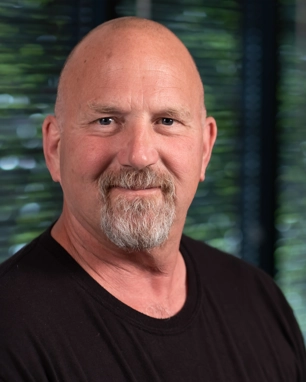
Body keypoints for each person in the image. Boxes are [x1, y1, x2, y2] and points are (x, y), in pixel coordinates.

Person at [0, 16, 305, 381]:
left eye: (166, 121)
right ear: (54, 147)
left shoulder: (259, 300)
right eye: (106, 120)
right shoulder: (11, 331)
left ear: (205, 148)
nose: (139, 154)